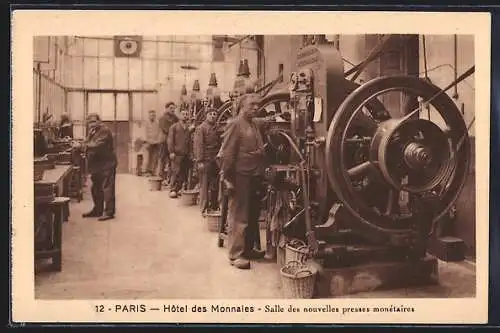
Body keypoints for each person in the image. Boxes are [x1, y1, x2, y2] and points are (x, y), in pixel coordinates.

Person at [218, 93, 275, 270]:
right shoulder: (235, 124)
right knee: (239, 216)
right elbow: (227, 154)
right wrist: (227, 178)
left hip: (254, 175)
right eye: (252, 105)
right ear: (242, 106)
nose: (256, 108)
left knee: (252, 215)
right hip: (240, 175)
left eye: (257, 105)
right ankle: (236, 254)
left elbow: (268, 121)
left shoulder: (254, 123)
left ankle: (248, 249)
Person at [77, 113, 117, 221]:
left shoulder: (104, 131)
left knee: (107, 188)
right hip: (97, 165)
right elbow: (88, 142)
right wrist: (81, 143)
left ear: (99, 121)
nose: (91, 124)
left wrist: (82, 146)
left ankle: (109, 212)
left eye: (94, 121)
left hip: (107, 163)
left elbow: (97, 145)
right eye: (89, 122)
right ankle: (97, 210)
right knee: (96, 188)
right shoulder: (93, 131)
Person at [193, 108, 220, 214]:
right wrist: (199, 161)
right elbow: (199, 145)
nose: (213, 116)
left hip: (215, 160)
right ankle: (203, 208)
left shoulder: (217, 128)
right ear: (206, 116)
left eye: (215, 114)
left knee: (215, 184)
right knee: (204, 185)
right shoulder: (201, 128)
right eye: (210, 114)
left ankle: (213, 206)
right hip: (205, 160)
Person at [167, 108, 194, 198]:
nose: (185, 116)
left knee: (183, 172)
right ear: (179, 115)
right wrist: (171, 152)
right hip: (177, 153)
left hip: (185, 154)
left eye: (186, 114)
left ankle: (178, 189)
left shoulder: (188, 128)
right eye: (183, 114)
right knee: (176, 172)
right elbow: (170, 140)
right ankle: (173, 190)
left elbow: (189, 141)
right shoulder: (174, 127)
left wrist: (190, 153)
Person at [158, 102, 179, 183]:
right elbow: (167, 130)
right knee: (162, 160)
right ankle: (160, 179)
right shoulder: (162, 118)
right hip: (164, 141)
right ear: (166, 108)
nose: (173, 110)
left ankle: (169, 179)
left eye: (174, 108)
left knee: (171, 161)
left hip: (172, 142)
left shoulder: (175, 118)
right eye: (171, 108)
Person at [143, 109, 163, 176]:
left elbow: (159, 132)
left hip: (156, 143)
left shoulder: (157, 124)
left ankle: (152, 171)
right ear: (148, 116)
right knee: (148, 158)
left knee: (155, 158)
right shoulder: (145, 123)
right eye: (151, 115)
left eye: (154, 115)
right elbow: (144, 134)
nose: (152, 116)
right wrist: (148, 141)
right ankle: (146, 171)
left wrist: (158, 141)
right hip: (148, 143)